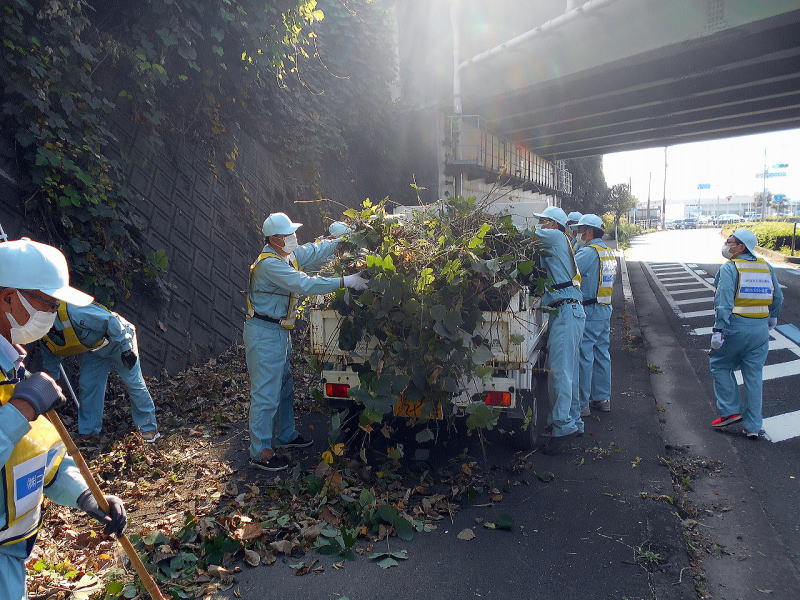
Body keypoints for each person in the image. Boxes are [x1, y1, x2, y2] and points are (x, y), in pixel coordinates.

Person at [0, 239, 126, 599]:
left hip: (11, 550)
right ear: (9, 297)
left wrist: (87, 495)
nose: (52, 314)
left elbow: (40, 455)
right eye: (47, 303)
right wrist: (21, 411)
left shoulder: (12, 369)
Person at [245, 213, 368, 471]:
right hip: (264, 332)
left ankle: (287, 435)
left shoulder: (286, 256)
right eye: (289, 235)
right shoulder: (270, 265)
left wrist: (340, 241)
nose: (294, 238)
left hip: (278, 332)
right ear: (275, 239)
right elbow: (304, 284)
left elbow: (313, 251)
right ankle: (260, 452)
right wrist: (347, 281)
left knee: (284, 387)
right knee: (266, 395)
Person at [38, 303, 159, 442]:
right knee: (88, 385)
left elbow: (111, 321)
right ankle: (89, 433)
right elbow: (51, 363)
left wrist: (127, 349)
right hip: (95, 349)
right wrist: (50, 389)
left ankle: (149, 430)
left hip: (119, 340)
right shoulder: (44, 334)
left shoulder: (73, 312)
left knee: (133, 383)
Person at [709, 229, 782, 439]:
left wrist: (718, 329)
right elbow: (778, 296)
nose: (726, 244)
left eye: (729, 241)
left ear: (741, 247)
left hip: (735, 327)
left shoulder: (731, 268)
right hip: (760, 330)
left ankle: (730, 412)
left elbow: (724, 301)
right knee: (754, 374)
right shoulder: (765, 266)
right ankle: (753, 426)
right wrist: (773, 317)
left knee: (720, 365)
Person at [530, 206, 586, 454]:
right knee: (569, 371)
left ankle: (562, 428)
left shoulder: (553, 236)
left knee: (560, 373)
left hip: (566, 311)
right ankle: (572, 421)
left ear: (553, 224)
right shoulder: (562, 241)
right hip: (570, 311)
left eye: (542, 221)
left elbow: (521, 234)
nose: (540, 225)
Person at [572, 214, 617, 416]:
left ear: (589, 231)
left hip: (590, 310)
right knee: (602, 354)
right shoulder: (608, 251)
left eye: (580, 230)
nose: (578, 234)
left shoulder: (589, 253)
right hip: (605, 308)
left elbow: (569, 269)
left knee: (584, 356)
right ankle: (602, 398)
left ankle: (582, 404)